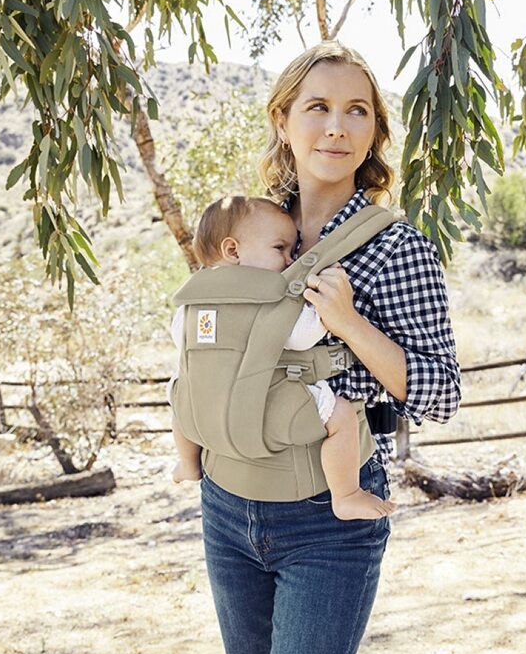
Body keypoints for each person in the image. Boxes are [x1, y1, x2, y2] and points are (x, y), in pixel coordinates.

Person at [197, 41, 461, 654]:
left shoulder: (397, 248)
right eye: (317, 107)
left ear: (374, 133)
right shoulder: (245, 229)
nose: (337, 127)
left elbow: (442, 393)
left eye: (357, 111)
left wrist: (349, 324)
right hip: (227, 499)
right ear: (283, 120)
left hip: (328, 516)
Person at [168, 194, 398, 521]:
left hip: (206, 410)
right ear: (233, 250)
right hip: (263, 406)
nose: (290, 261)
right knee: (341, 415)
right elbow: (301, 337)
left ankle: (188, 463)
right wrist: (328, 308)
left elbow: (181, 340)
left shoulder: (192, 299)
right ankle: (346, 494)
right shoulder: (267, 298)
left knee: (178, 392)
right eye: (280, 249)